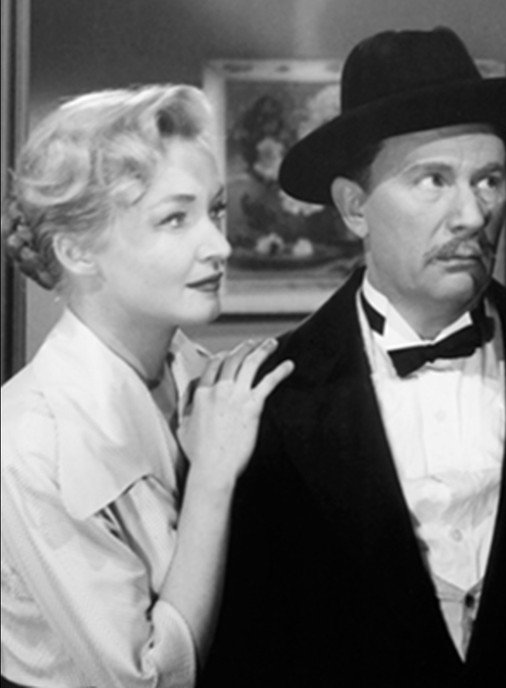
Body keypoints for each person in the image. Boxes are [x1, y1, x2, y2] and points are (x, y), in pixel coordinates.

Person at [204, 28, 506, 687]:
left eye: (488, 180)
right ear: (354, 207)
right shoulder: (266, 396)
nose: (472, 213)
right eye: (433, 180)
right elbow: (246, 655)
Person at [0, 85, 292, 687]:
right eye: (174, 219)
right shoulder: (29, 443)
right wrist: (211, 478)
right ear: (78, 250)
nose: (220, 246)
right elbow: (148, 680)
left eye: (214, 211)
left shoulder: (205, 380)